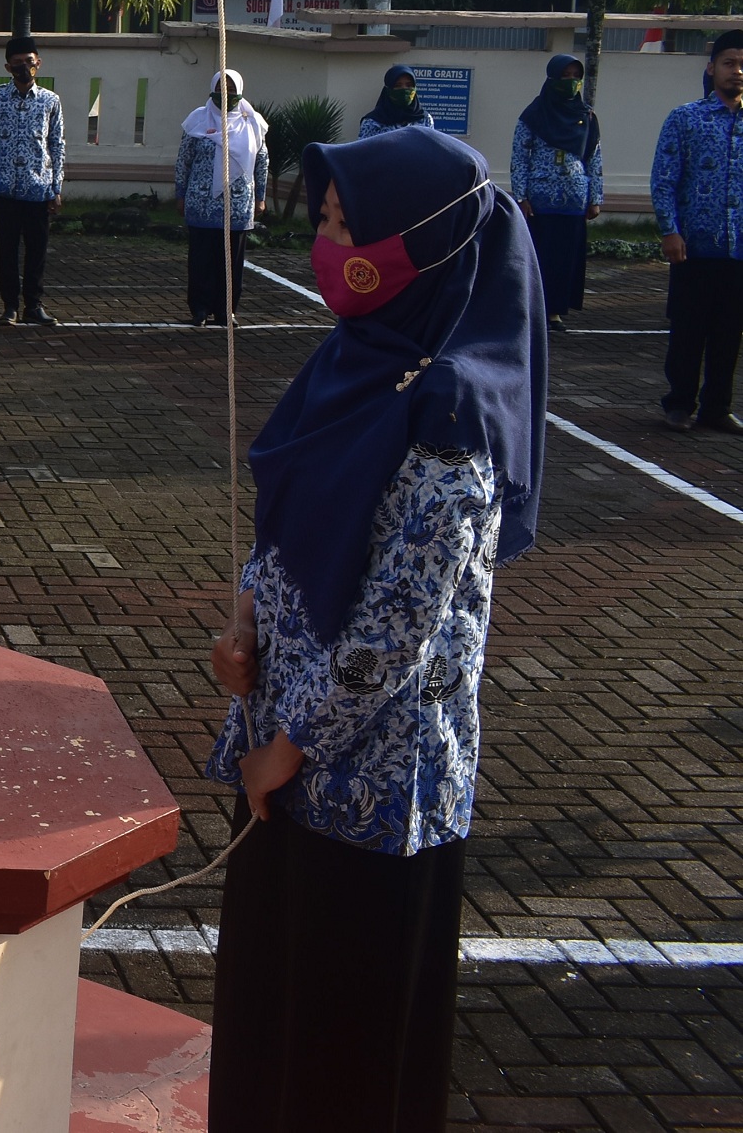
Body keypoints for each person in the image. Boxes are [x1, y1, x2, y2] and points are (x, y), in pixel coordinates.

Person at [206, 125, 543, 1133]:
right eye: (323, 221)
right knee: (273, 1019)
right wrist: (243, 617)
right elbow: (288, 523)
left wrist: (288, 747)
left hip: (371, 790)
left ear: (422, 243)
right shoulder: (350, 361)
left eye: (349, 226)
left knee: (346, 1054)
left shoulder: (451, 410)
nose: (326, 243)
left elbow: (396, 632)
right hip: (283, 761)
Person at [651, 29, 743, 434]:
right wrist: (670, 231)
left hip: (738, 251)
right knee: (688, 329)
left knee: (729, 333)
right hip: (693, 246)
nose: (737, 72)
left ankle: (717, 408)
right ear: (711, 68)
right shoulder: (686, 118)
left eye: (742, 65)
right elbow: (664, 180)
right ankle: (679, 403)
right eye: (729, 63)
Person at [0, 29, 64, 325]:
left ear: (39, 63)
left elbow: (57, 144)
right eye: (17, 62)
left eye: (29, 60)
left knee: (37, 252)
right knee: (7, 251)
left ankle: (33, 306)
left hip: (39, 187)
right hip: (6, 187)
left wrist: (57, 187)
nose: (24, 66)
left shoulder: (50, 101)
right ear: (8, 67)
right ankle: (9, 306)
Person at [510, 53, 603, 332]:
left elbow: (594, 157)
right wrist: (521, 196)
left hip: (575, 200)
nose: (571, 82)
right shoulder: (533, 115)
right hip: (540, 202)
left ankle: (555, 311)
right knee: (541, 258)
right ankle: (534, 309)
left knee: (566, 259)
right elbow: (519, 158)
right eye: (566, 77)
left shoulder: (586, 115)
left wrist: (595, 197)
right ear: (552, 79)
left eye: (576, 77)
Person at [175, 70, 269, 326]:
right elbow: (184, 160)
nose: (224, 93)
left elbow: (261, 161)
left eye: (230, 87)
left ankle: (227, 311)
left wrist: (261, 197)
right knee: (201, 259)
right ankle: (200, 309)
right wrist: (180, 193)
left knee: (231, 262)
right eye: (219, 87)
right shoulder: (197, 119)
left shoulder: (252, 122)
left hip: (237, 204)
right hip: (201, 203)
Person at [356, 64, 433, 139]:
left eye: (409, 85)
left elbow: (432, 149)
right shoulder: (372, 122)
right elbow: (363, 151)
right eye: (398, 85)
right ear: (388, 89)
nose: (404, 89)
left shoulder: (425, 120)